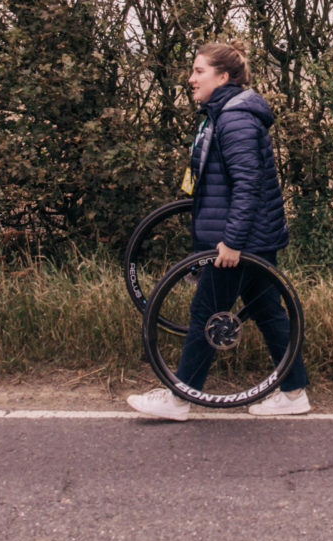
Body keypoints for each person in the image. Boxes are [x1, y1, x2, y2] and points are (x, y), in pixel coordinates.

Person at [127, 40, 311, 420]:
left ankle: (179, 397)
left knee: (206, 313)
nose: (191, 78)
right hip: (252, 237)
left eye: (199, 71)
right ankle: (294, 393)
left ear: (222, 76)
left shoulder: (235, 118)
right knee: (267, 312)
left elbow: (248, 185)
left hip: (239, 241)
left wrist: (232, 243)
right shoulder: (222, 113)